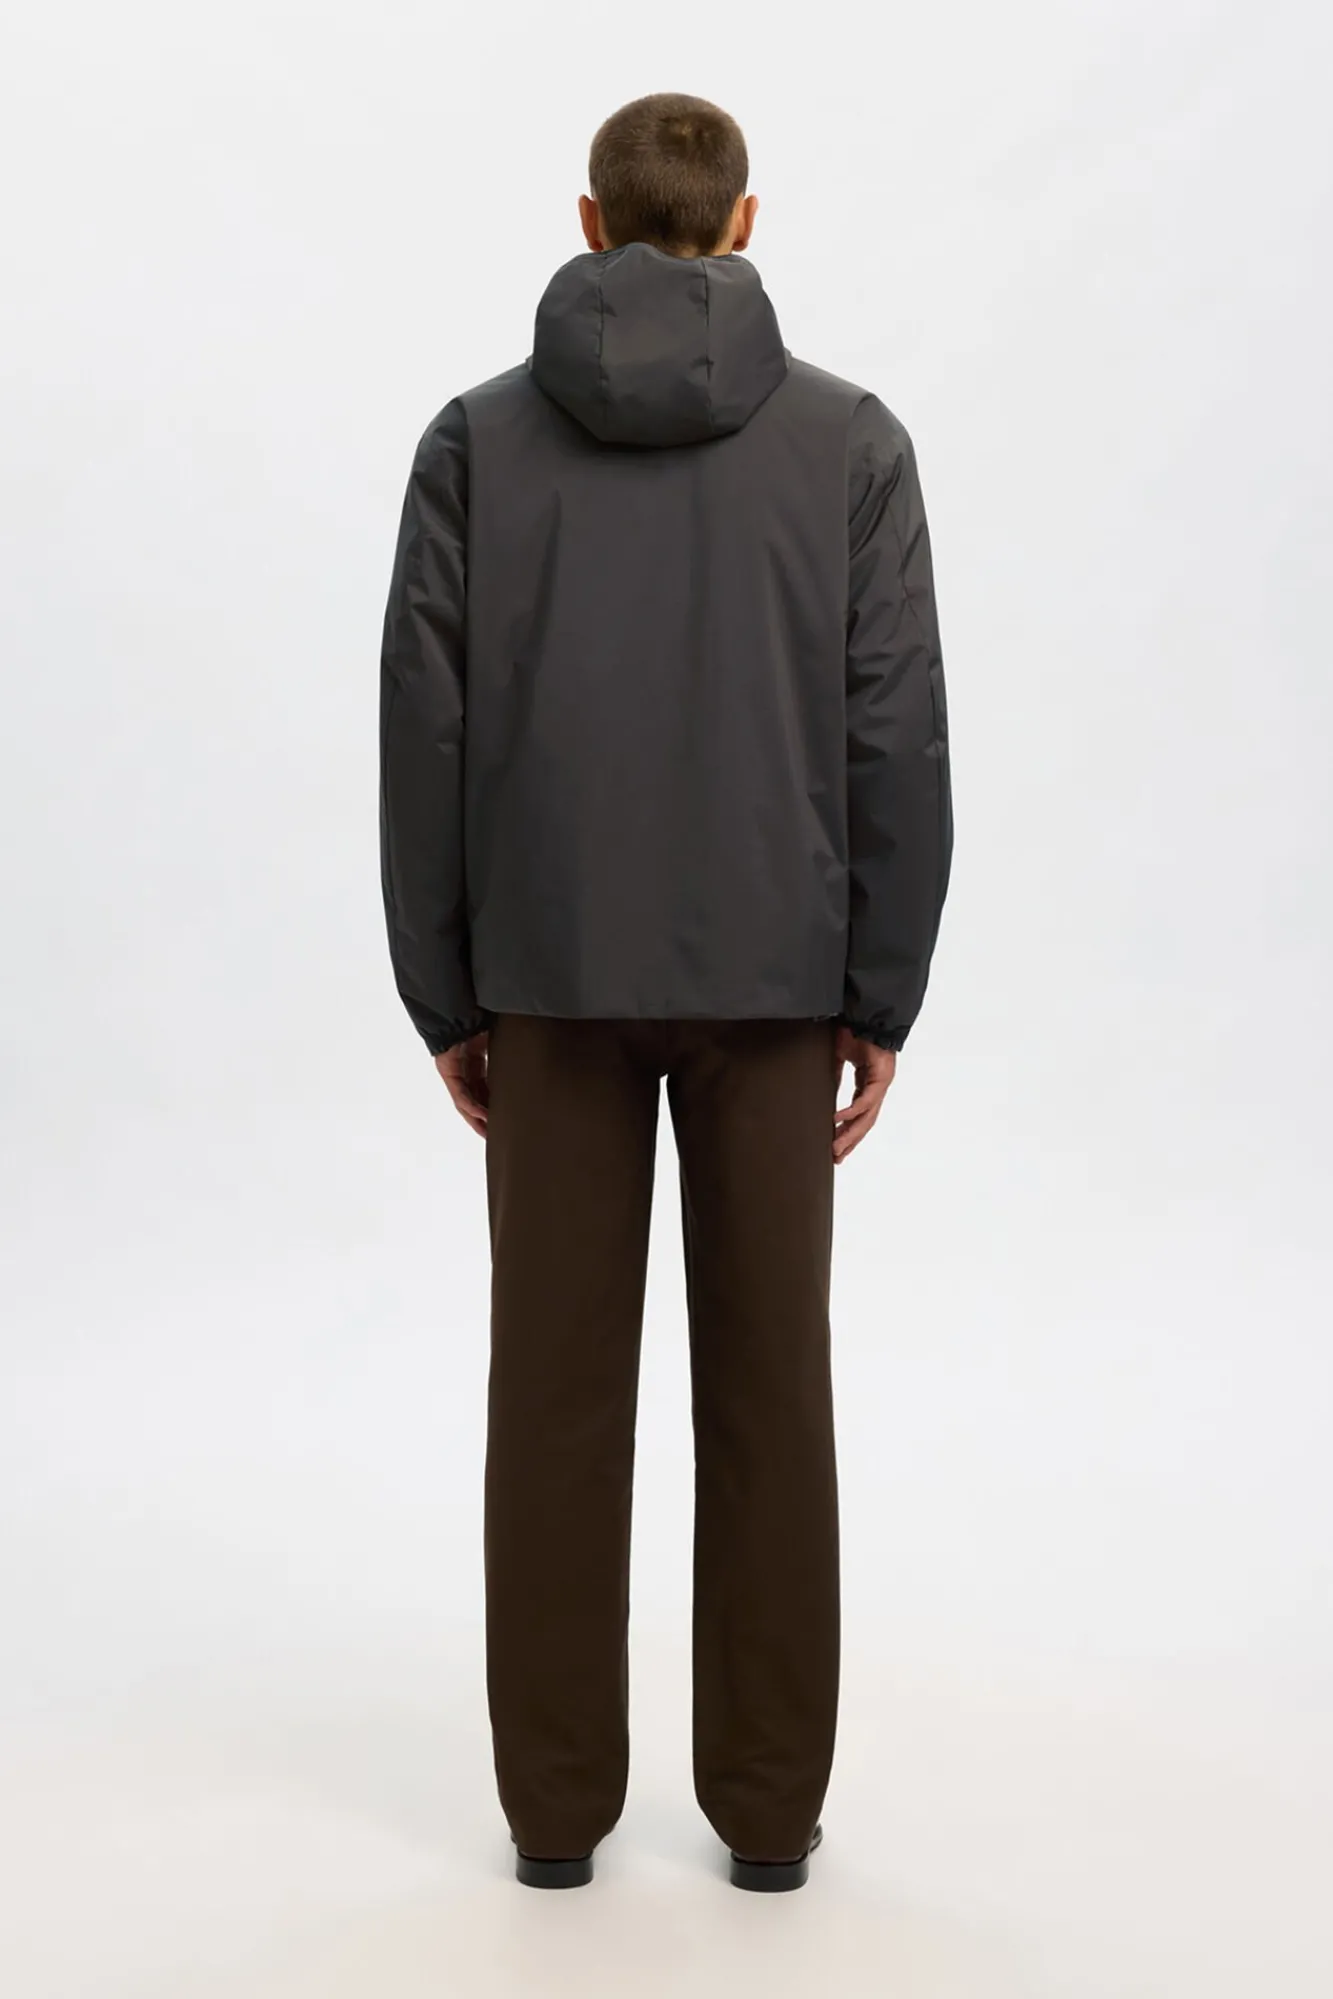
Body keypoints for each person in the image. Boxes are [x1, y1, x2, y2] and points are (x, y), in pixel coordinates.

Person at [378, 91, 953, 1894]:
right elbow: (894, 725)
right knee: (774, 1398)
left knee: (552, 1402)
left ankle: (555, 1821)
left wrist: (445, 991)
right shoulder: (851, 445)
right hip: (777, 985)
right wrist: (881, 992)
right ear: (746, 224)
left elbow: (422, 727)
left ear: (589, 219)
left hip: (548, 982)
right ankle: (769, 1822)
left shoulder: (476, 442)